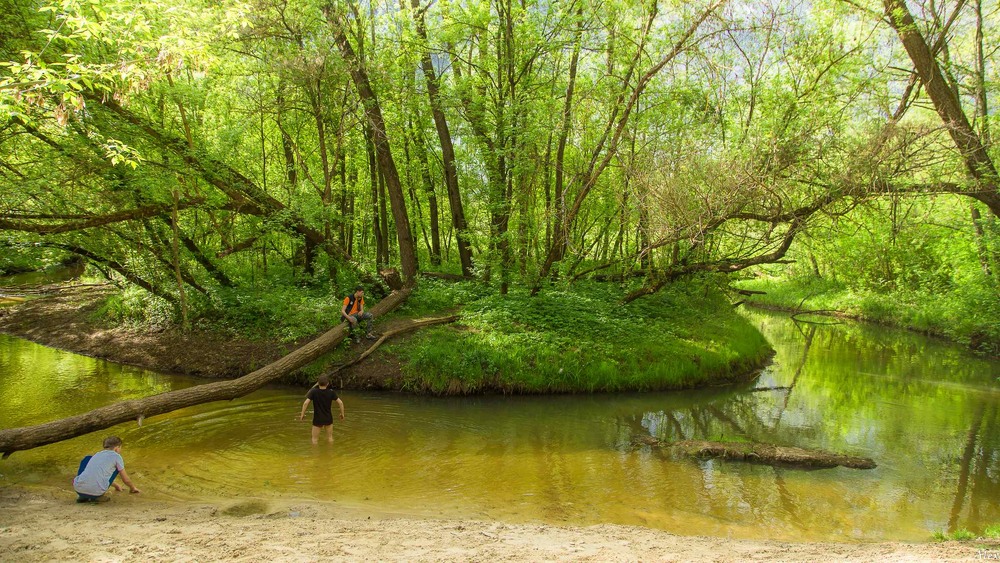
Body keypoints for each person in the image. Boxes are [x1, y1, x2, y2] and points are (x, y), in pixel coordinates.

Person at [73, 436, 141, 503]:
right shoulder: (117, 457)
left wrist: (116, 485)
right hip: (96, 493)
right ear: (117, 448)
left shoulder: (97, 455)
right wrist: (132, 488)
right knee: (118, 467)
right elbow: (125, 479)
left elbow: (97, 472)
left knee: (87, 459)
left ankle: (82, 496)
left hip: (78, 489)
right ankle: (97, 497)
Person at [299, 375, 345, 445]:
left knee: (314, 440)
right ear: (328, 383)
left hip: (318, 419)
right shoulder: (331, 392)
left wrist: (302, 414)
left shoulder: (313, 391)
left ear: (318, 383)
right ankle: (330, 453)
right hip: (328, 418)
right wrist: (342, 414)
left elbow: (305, 403)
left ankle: (315, 455)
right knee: (330, 438)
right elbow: (341, 403)